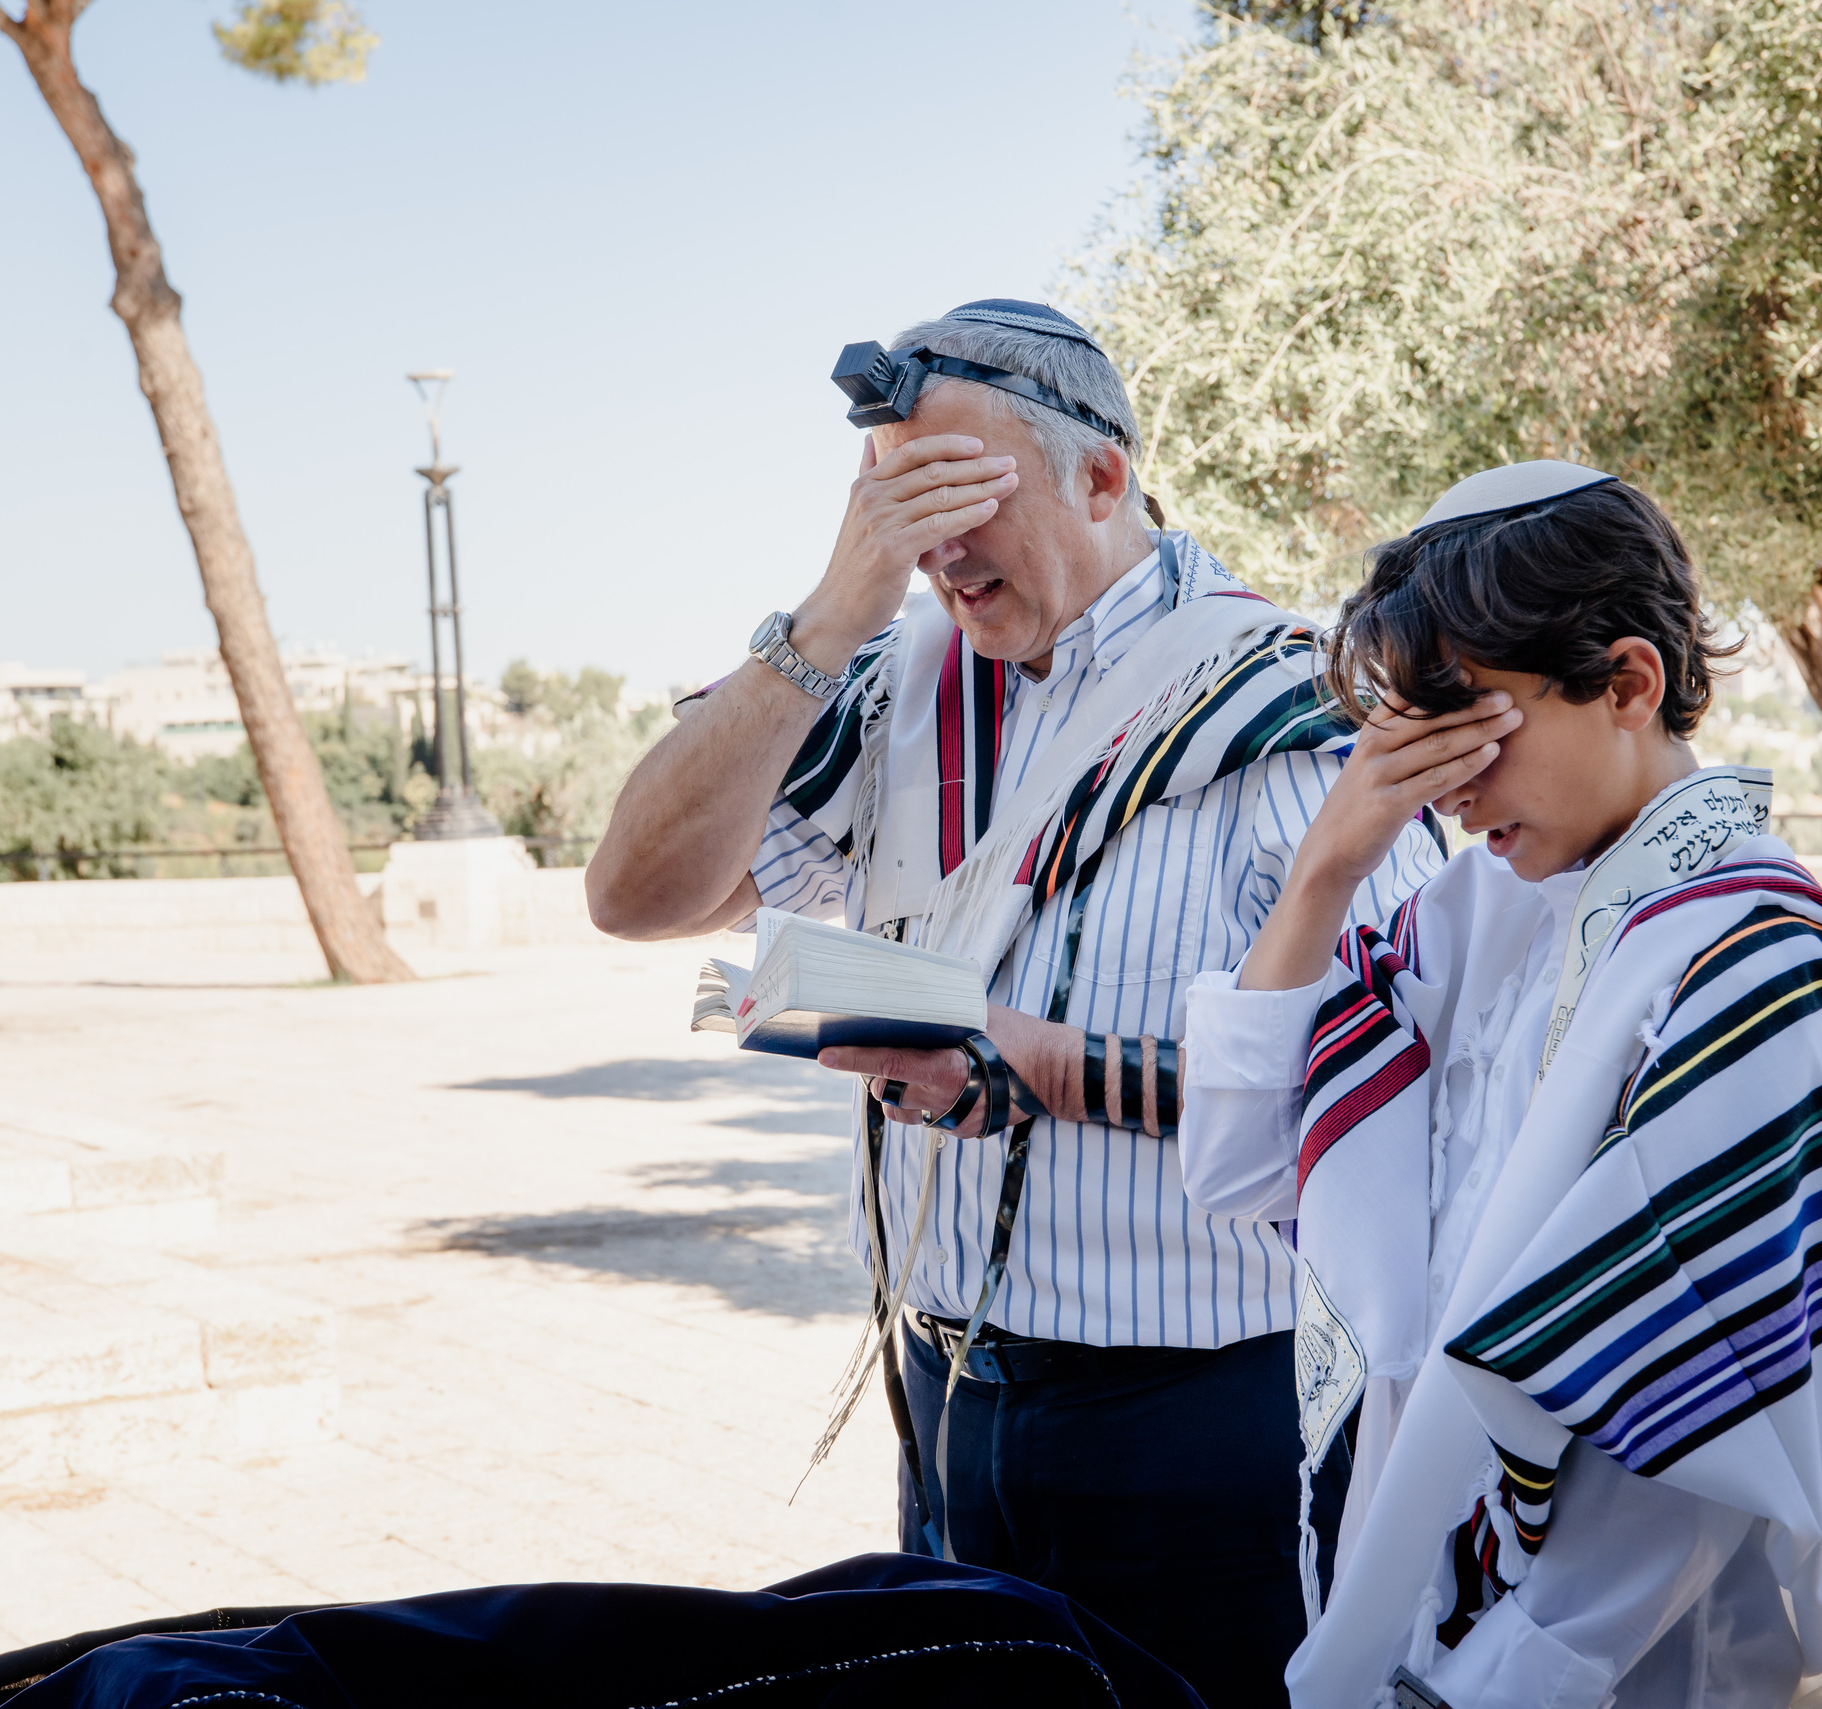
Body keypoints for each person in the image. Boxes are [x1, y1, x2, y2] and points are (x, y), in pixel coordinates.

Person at [587, 298, 1447, 1708]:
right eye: (893, 503)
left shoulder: (1280, 705)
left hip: (1201, 1416)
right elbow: (637, 893)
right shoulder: (880, 688)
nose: (929, 549)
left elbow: (1386, 1079)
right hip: (947, 1393)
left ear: (1102, 475)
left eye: (956, 494)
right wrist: (826, 617)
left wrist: (1039, 1064)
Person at [1179, 462, 1822, 1708]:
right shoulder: (1478, 920)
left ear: (1626, 682)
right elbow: (1236, 1162)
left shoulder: (1759, 968)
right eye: (1414, 734)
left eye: (1475, 721)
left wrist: (1482, 1684)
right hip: (1435, 1626)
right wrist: (1325, 868)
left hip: (1629, 1667)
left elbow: (1700, 1429)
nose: (1447, 783)